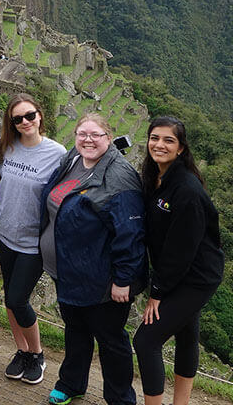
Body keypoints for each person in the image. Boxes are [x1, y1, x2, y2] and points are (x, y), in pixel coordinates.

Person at [40, 113, 146, 405]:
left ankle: (120, 399)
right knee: (75, 331)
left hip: (102, 278)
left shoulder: (119, 176)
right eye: (82, 133)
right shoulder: (74, 159)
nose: (87, 140)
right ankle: (72, 383)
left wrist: (123, 279)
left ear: (108, 139)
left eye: (95, 135)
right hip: (68, 272)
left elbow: (130, 233)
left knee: (111, 341)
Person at [132, 116, 224, 405]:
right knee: (186, 334)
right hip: (175, 270)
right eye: (154, 138)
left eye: (168, 140)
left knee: (145, 341)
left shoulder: (187, 190)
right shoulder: (155, 176)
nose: (159, 145)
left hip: (195, 277)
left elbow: (181, 249)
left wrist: (157, 293)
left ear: (181, 148)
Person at [0, 94, 66, 385]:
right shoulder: (6, 147)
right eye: (18, 119)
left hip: (32, 242)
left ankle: (37, 353)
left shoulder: (57, 153)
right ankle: (21, 351)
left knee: (17, 299)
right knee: (9, 299)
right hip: (4, 233)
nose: (25, 122)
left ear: (40, 116)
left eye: (29, 116)